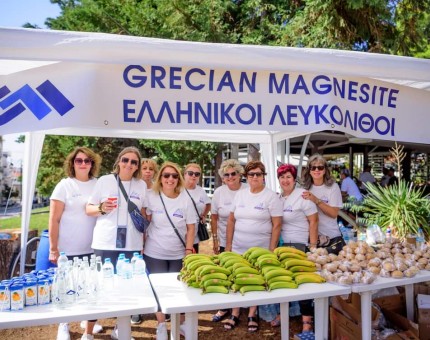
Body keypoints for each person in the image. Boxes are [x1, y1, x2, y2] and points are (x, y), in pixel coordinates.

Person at [86, 146, 147, 340]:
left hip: (132, 245)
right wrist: (102, 208)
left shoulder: (141, 185)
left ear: (137, 166)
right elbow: (89, 209)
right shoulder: (105, 181)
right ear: (119, 161)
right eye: (126, 160)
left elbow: (142, 214)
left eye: (134, 162)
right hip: (105, 243)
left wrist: (143, 242)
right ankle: (87, 333)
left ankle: (120, 329)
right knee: (99, 288)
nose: (129, 164)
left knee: (127, 289)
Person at [49, 146, 102, 340]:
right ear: (72, 163)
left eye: (87, 160)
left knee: (92, 290)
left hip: (94, 248)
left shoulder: (98, 184)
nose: (83, 164)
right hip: (68, 250)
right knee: (66, 290)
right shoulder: (64, 185)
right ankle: (64, 325)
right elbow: (53, 220)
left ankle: (87, 328)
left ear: (92, 164)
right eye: (79, 160)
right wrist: (53, 249)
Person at [224, 160, 283, 333]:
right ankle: (235, 312)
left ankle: (252, 314)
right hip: (238, 247)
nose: (255, 177)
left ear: (264, 176)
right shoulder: (240, 195)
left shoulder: (271, 196)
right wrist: (228, 245)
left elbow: (277, 225)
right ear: (246, 177)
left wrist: (271, 250)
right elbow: (231, 220)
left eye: (258, 174)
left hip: (260, 250)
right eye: (251, 174)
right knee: (235, 278)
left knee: (256, 281)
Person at [143, 161, 196, 340]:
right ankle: (161, 326)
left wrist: (189, 249)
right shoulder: (151, 196)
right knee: (158, 290)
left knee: (178, 290)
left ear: (178, 179)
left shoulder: (185, 198)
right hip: (154, 252)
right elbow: (144, 220)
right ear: (160, 178)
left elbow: (191, 227)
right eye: (166, 175)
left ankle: (179, 324)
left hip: (178, 253)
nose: (170, 179)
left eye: (174, 176)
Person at [269, 164, 318, 330]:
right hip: (281, 246)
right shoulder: (278, 197)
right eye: (282, 177)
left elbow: (314, 221)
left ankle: (307, 323)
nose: (285, 180)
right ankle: (283, 314)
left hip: (299, 245)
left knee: (302, 284)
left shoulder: (302, 196)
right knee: (284, 282)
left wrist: (312, 246)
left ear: (294, 179)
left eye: (288, 177)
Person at [301, 154, 344, 333]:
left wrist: (316, 200)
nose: (317, 170)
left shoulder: (332, 187)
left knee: (331, 280)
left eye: (320, 167)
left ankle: (331, 319)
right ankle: (309, 321)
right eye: (313, 167)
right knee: (310, 281)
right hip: (311, 241)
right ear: (309, 170)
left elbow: (334, 214)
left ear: (325, 169)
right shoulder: (304, 188)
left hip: (332, 240)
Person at [210, 159, 247, 323]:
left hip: (246, 238)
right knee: (226, 271)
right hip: (226, 239)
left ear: (240, 175)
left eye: (234, 173)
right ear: (223, 178)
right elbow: (214, 217)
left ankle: (243, 305)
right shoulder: (219, 192)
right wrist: (215, 239)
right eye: (227, 175)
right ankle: (226, 305)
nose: (230, 177)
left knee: (245, 271)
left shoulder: (248, 189)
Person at [183, 163, 211, 253]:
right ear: (184, 174)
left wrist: (204, 215)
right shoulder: (177, 189)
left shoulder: (201, 190)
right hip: (180, 233)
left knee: (192, 262)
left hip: (194, 235)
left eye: (197, 174)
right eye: (190, 173)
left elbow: (208, 204)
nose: (193, 176)